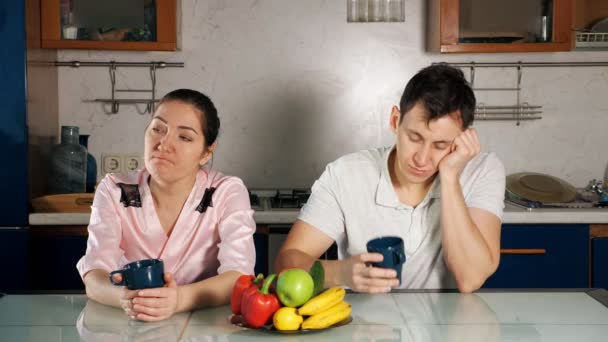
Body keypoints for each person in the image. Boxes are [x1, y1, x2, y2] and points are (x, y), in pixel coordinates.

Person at [275, 64, 505, 293]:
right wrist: (339, 272)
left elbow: (471, 279)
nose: (422, 159)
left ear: (460, 140)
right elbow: (286, 265)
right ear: (395, 120)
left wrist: (450, 177)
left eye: (440, 145)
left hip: (449, 327)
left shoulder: (483, 170)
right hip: (364, 327)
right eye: (414, 137)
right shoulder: (346, 174)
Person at [77, 89, 256, 321]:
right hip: (131, 327)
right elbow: (94, 276)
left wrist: (180, 299)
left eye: (184, 137)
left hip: (204, 326)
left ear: (206, 153)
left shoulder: (225, 191)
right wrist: (125, 298)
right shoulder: (115, 188)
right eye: (158, 129)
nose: (164, 143)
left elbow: (239, 276)